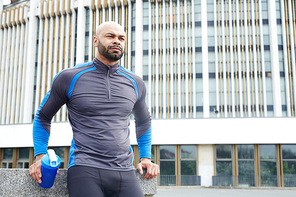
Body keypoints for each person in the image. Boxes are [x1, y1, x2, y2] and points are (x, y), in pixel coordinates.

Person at [29, 21, 159, 197]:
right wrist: (40, 156)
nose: (117, 41)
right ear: (96, 41)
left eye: (121, 38)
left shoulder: (135, 83)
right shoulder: (69, 77)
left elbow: (144, 121)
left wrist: (145, 158)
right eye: (110, 36)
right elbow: (43, 117)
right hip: (85, 169)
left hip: (124, 170)